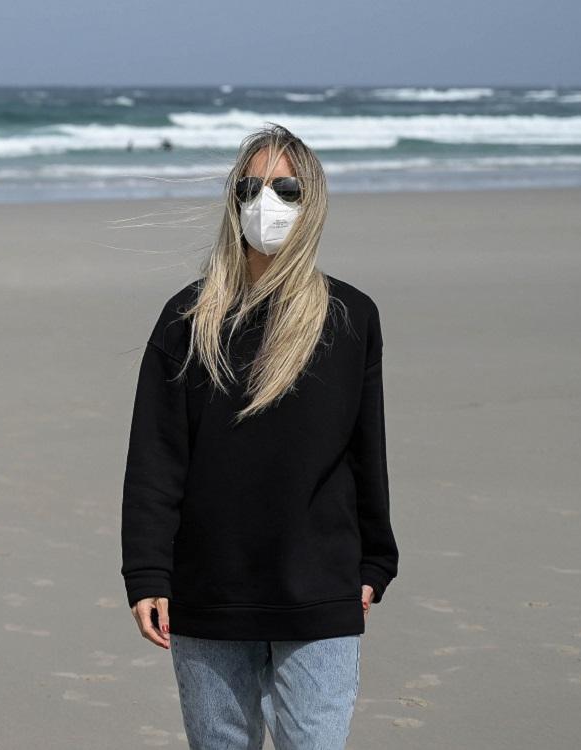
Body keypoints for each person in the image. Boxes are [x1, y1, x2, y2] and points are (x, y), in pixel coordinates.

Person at [120, 124, 399, 750]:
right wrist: (146, 572)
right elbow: (156, 458)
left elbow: (366, 451)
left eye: (284, 188)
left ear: (313, 200)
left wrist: (377, 562)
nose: (263, 201)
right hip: (209, 591)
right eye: (249, 186)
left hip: (320, 590)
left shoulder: (351, 318)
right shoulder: (187, 319)